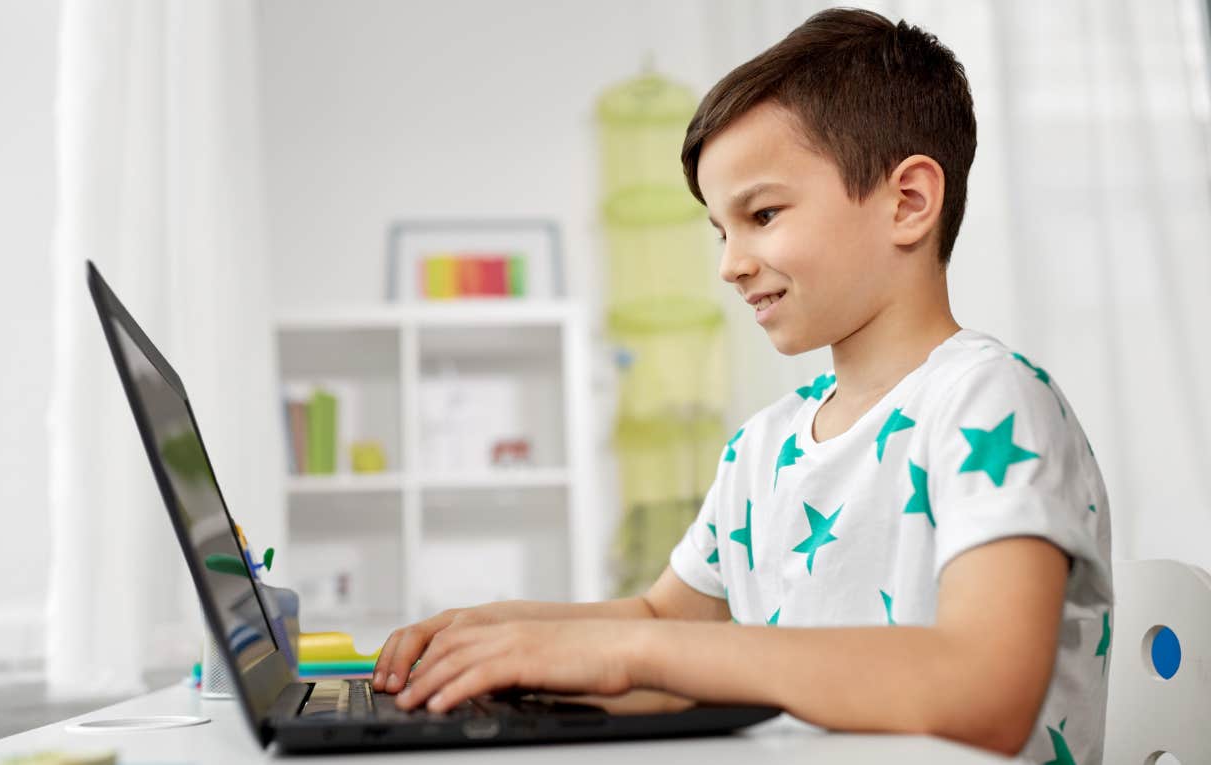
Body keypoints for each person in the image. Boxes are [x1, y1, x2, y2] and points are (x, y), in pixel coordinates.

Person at [372, 8, 1112, 761]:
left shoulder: (990, 403)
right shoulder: (762, 448)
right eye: (722, 233)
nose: (730, 264)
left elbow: (984, 692)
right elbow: (663, 621)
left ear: (909, 201)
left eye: (761, 214)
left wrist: (632, 653)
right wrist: (505, 633)